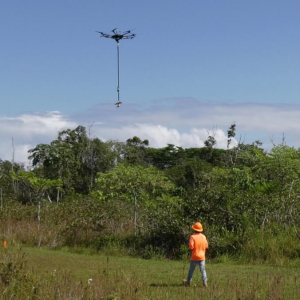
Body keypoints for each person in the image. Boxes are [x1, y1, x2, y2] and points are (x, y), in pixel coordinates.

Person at [183, 222, 208, 287]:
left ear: (194, 229)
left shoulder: (192, 237)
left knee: (191, 269)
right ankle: (205, 282)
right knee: (203, 270)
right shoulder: (204, 237)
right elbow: (206, 246)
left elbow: (191, 247)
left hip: (194, 256)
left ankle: (188, 281)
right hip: (202, 256)